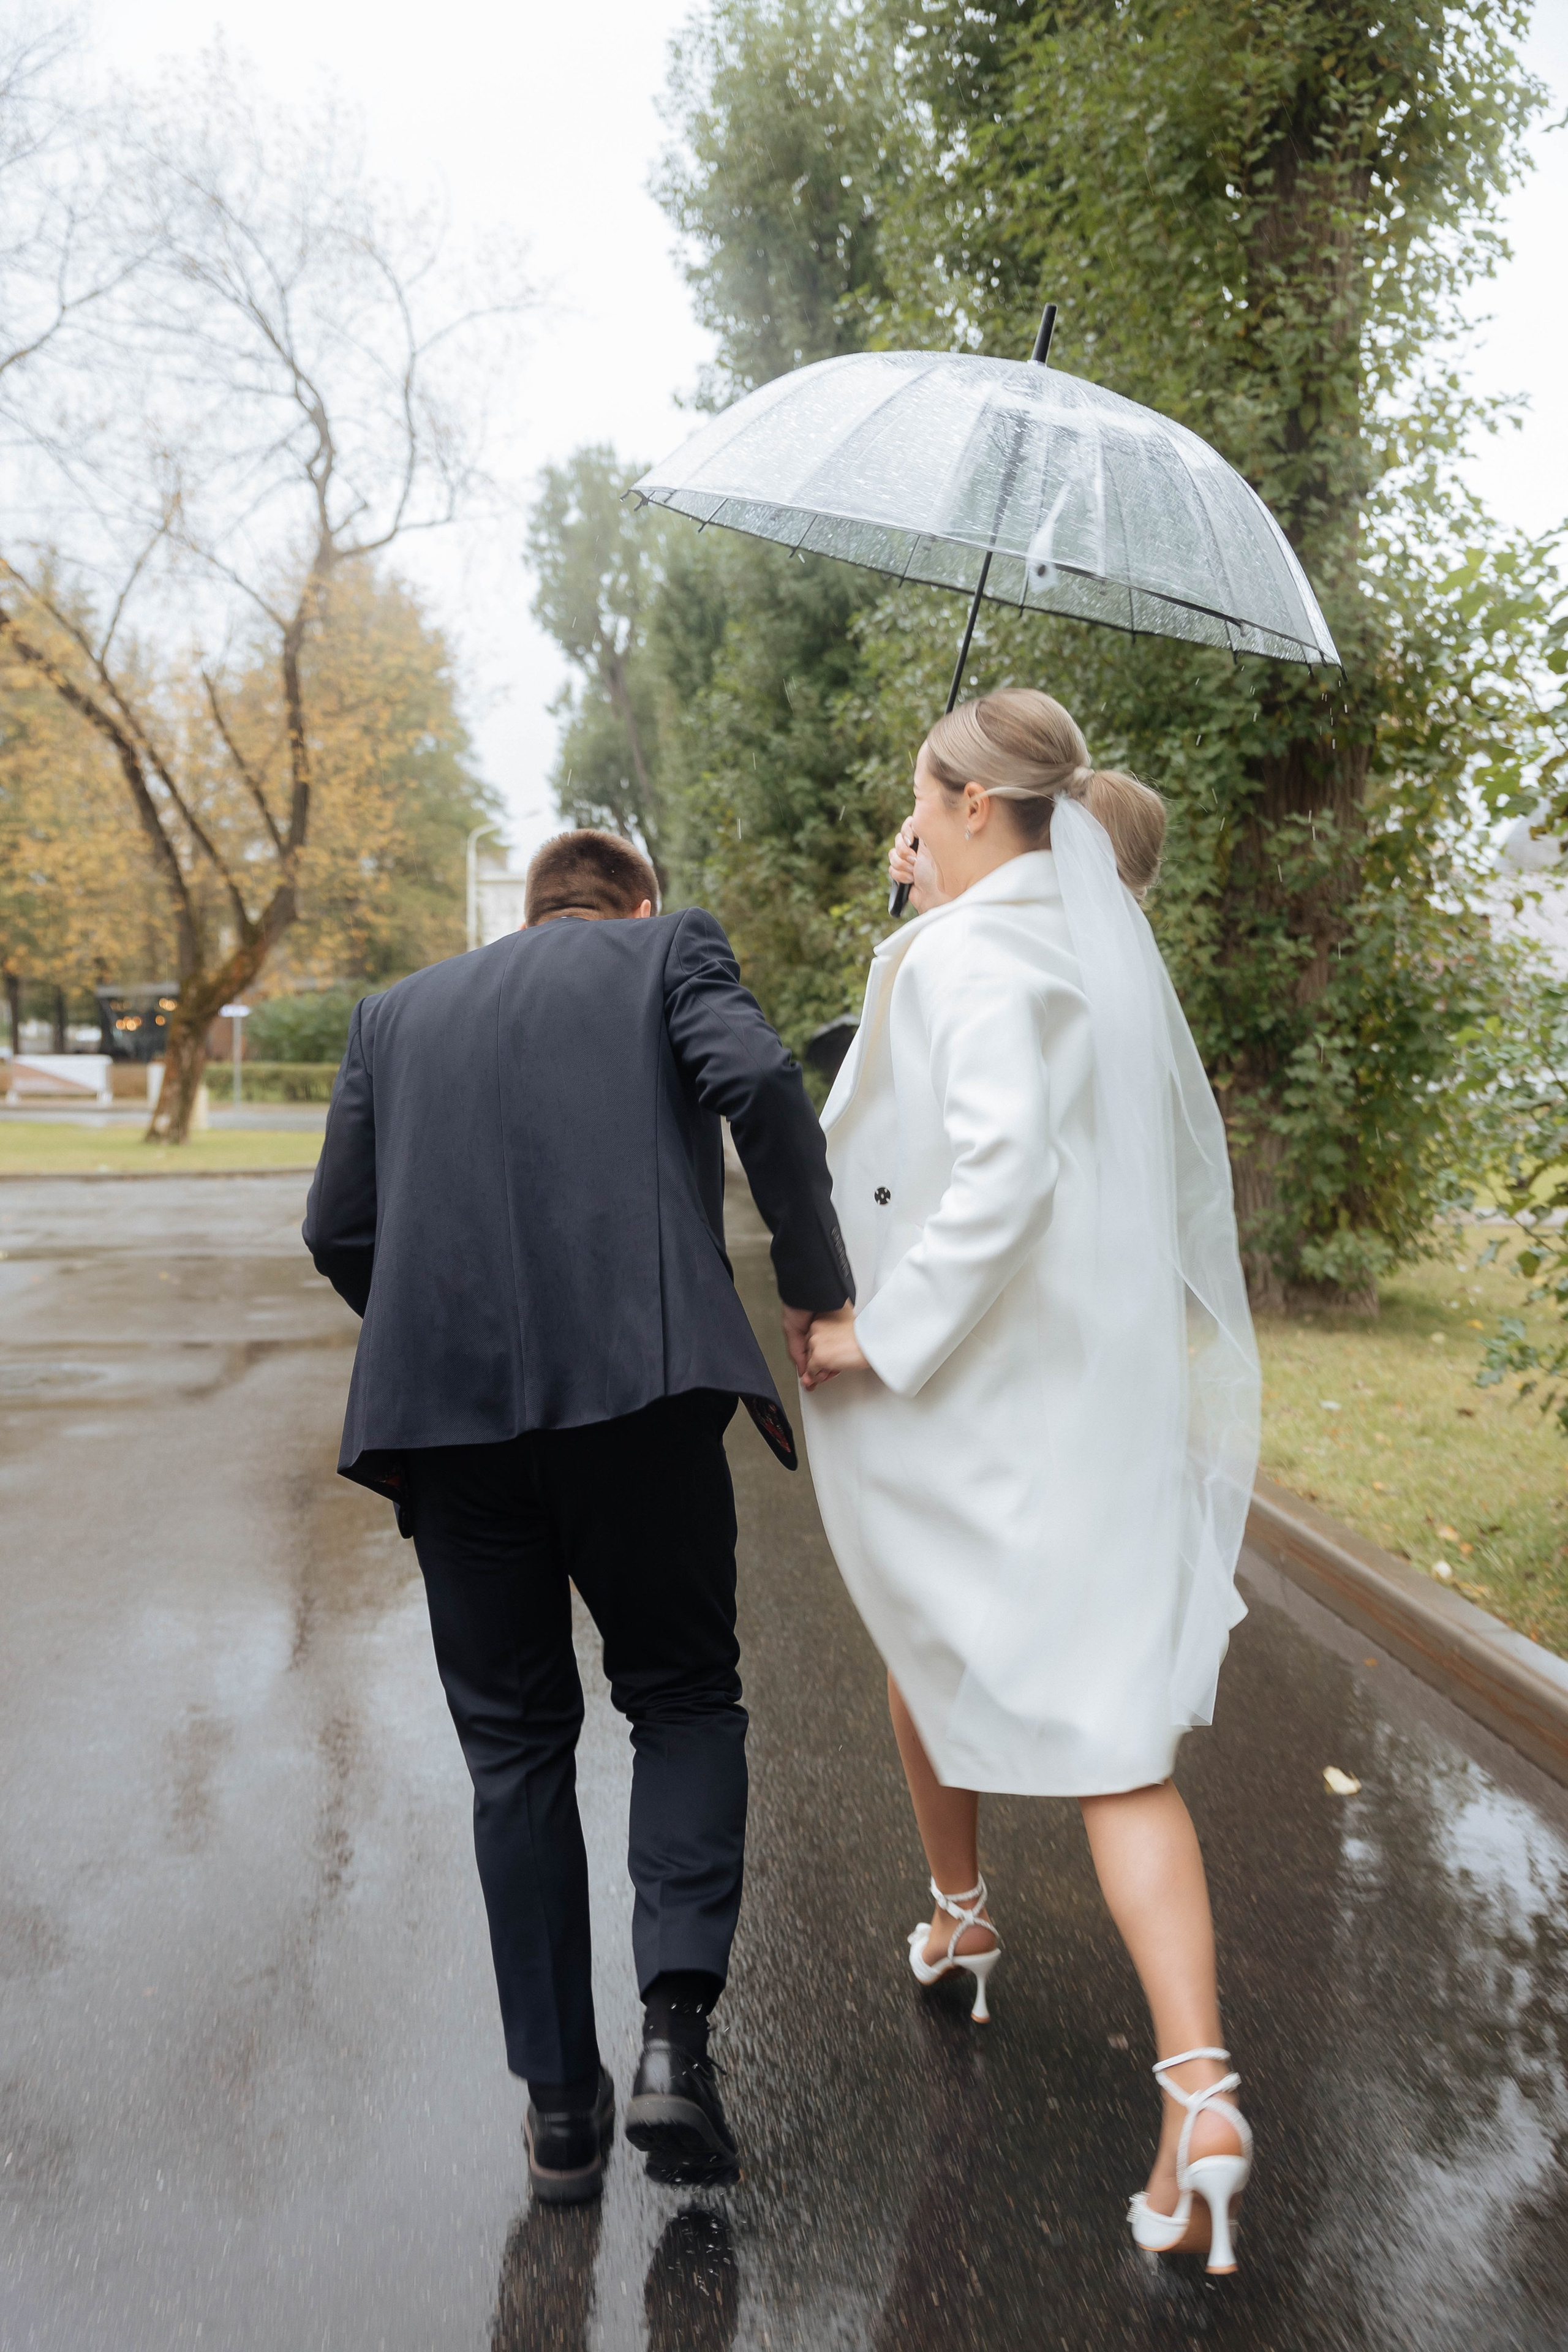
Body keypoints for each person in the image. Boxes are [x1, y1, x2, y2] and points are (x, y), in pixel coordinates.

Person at [303, 829, 852, 2203]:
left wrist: (442, 1340)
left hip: (448, 1426)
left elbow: (336, 1227)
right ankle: (674, 2039)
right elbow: (761, 1084)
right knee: (679, 1695)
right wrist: (813, 1278)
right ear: (638, 904)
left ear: (528, 904)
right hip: (641, 1395)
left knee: (513, 1752)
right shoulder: (675, 952)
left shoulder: (393, 1014)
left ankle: (558, 2110)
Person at [796, 690, 1261, 2274]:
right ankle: (1189, 2092)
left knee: (949, 1653)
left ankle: (970, 1908)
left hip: (995, 1405)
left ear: (978, 805)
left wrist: (874, 1337)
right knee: (1116, 1746)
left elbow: (990, 1172)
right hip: (1088, 1398)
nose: (908, 821)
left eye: (923, 798)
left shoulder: (988, 958)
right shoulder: (1075, 955)